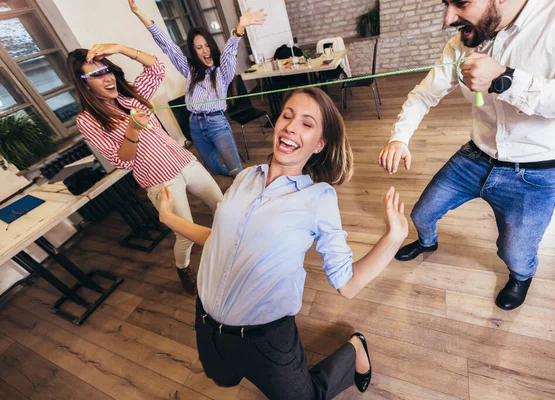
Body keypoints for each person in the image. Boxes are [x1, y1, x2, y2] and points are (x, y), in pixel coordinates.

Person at [157, 87, 409, 399]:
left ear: (320, 144)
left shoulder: (317, 197)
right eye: (287, 116)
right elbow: (219, 240)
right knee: (221, 377)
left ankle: (354, 348)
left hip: (266, 339)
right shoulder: (245, 178)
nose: (290, 126)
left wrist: (393, 238)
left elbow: (348, 284)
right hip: (206, 324)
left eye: (307, 123)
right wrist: (168, 218)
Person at [379, 0, 555, 310]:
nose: (448, 18)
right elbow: (423, 95)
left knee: (516, 254)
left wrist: (505, 79)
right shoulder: (464, 40)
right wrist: (399, 138)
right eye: (446, 4)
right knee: (421, 214)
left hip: (536, 173)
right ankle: (427, 242)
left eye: (460, 3)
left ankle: (521, 276)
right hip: (474, 157)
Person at [68, 44, 223, 295]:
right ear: (84, 84)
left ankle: (230, 250)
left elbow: (157, 67)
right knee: (185, 235)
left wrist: (119, 48)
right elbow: (123, 162)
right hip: (160, 182)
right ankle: (183, 268)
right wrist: (132, 129)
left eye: (107, 70)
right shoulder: (87, 120)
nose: (107, 77)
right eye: (96, 75)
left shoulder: (129, 95)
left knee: (222, 206)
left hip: (185, 162)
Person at [128, 0, 267, 178]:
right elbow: (168, 46)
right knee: (215, 169)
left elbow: (229, 53)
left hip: (217, 124)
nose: (205, 50)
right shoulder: (190, 70)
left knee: (236, 171)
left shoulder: (222, 71)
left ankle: (245, 189)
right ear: (194, 51)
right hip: (195, 124)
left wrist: (239, 30)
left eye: (207, 45)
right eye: (199, 47)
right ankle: (244, 181)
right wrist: (138, 13)